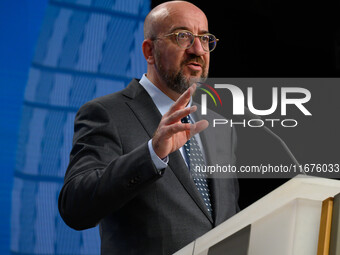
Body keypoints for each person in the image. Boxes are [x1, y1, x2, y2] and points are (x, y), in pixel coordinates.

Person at [58, 1, 239, 254]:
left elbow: (228, 219)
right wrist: (152, 154)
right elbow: (75, 207)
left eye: (205, 38)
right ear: (149, 51)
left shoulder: (220, 127)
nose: (198, 49)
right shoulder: (107, 113)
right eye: (183, 36)